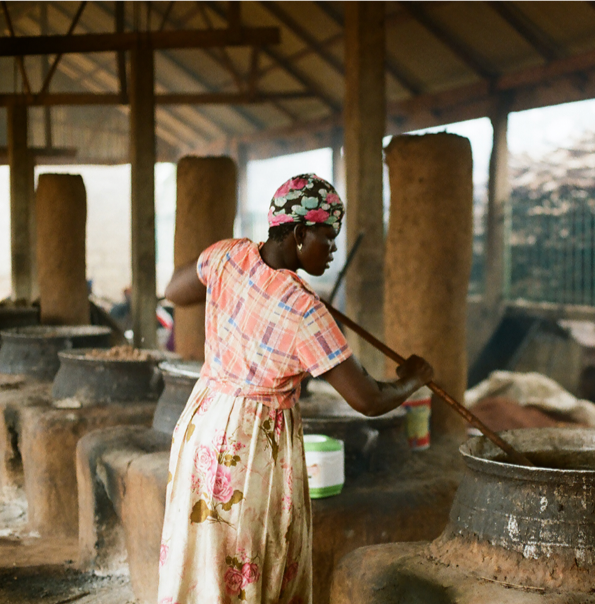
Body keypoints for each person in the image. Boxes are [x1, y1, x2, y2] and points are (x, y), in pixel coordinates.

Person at [157, 174, 433, 604]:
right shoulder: (305, 310)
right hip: (250, 449)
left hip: (202, 427)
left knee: (203, 561)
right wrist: (413, 379)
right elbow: (370, 399)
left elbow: (175, 291)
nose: (334, 248)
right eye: (328, 236)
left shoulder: (228, 255)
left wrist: (230, 264)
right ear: (300, 232)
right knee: (245, 565)